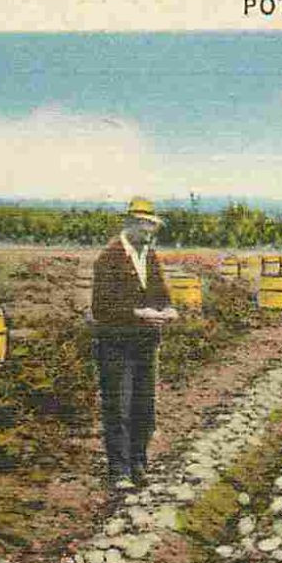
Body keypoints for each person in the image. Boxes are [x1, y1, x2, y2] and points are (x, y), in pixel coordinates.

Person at [91, 197, 178, 490]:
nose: (150, 231)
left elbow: (161, 293)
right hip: (117, 345)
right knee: (118, 407)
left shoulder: (149, 256)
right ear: (129, 224)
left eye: (153, 225)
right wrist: (138, 314)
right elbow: (101, 309)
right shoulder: (109, 258)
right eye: (145, 225)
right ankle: (120, 471)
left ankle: (139, 463)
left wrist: (167, 309)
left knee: (144, 406)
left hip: (145, 343)